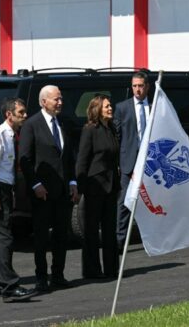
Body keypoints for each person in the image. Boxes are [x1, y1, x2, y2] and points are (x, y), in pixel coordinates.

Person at [0, 98, 36, 303]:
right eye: (20, 112)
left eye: (25, 112)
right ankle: (9, 286)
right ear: (8, 115)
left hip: (5, 188)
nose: (25, 116)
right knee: (4, 238)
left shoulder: (12, 135)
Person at [20, 85, 79, 292]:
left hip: (62, 190)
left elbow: (69, 157)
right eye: (56, 99)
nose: (60, 102)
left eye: (61, 99)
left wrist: (73, 182)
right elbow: (25, 159)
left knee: (61, 235)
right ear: (43, 101)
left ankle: (58, 275)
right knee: (42, 237)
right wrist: (35, 184)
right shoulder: (31, 125)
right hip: (42, 192)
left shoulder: (63, 123)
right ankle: (41, 277)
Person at [76, 95, 120, 279]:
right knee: (92, 231)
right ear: (98, 109)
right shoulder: (90, 130)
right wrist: (81, 186)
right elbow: (82, 160)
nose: (111, 109)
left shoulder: (112, 128)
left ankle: (111, 269)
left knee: (110, 230)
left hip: (111, 186)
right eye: (107, 106)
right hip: (94, 186)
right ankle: (92, 270)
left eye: (111, 106)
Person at [114, 71, 150, 251]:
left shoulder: (156, 106)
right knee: (124, 202)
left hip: (151, 163)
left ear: (147, 87)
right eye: (134, 86)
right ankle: (119, 241)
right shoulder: (122, 108)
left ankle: (151, 238)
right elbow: (117, 137)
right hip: (128, 163)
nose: (137, 89)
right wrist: (119, 163)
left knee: (152, 200)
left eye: (140, 86)